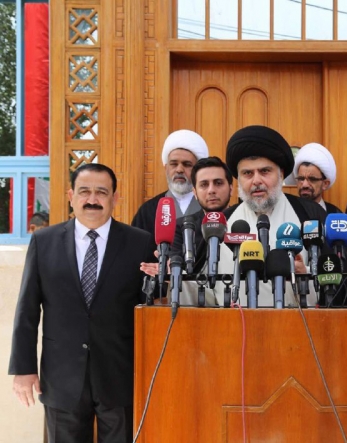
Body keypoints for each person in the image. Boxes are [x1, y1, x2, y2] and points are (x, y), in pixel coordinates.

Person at [9, 164, 151, 442]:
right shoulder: (43, 241)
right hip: (61, 376)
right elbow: (27, 310)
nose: (92, 199)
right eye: (84, 191)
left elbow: (148, 309)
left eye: (102, 192)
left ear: (115, 198)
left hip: (120, 376)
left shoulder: (140, 242)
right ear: (71, 196)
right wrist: (24, 368)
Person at [218, 125, 335, 307]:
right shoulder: (222, 222)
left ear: (281, 174)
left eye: (265, 171)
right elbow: (201, 288)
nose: (256, 180)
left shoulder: (310, 214)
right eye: (247, 173)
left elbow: (337, 284)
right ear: (238, 179)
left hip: (297, 321)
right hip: (234, 322)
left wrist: (305, 276)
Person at [131, 129, 209, 258]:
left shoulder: (210, 207)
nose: (179, 169)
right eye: (174, 164)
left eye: (187, 164)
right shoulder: (148, 210)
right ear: (166, 168)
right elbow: (135, 253)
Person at [172, 156, 233, 275]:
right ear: (195, 193)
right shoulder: (182, 227)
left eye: (218, 183)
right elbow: (177, 270)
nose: (211, 190)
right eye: (204, 185)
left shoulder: (242, 220)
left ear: (231, 189)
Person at [292, 142, 341, 213]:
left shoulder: (335, 214)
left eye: (312, 179)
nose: (305, 185)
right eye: (301, 179)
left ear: (325, 184)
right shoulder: (289, 211)